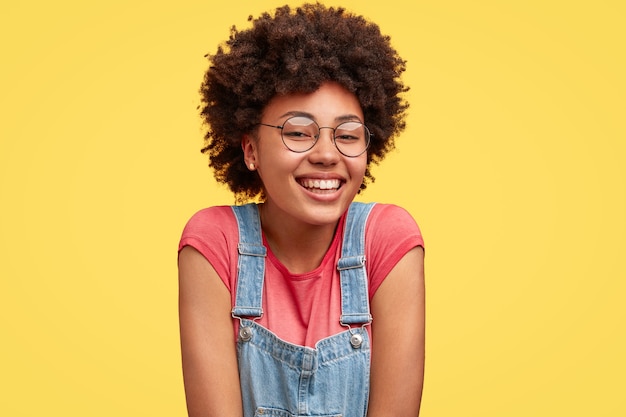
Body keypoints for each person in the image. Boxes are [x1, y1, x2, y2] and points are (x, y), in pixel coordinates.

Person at [178, 3, 425, 416]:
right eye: (298, 132)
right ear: (251, 150)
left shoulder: (387, 239)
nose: (327, 154)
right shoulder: (214, 243)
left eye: (347, 135)